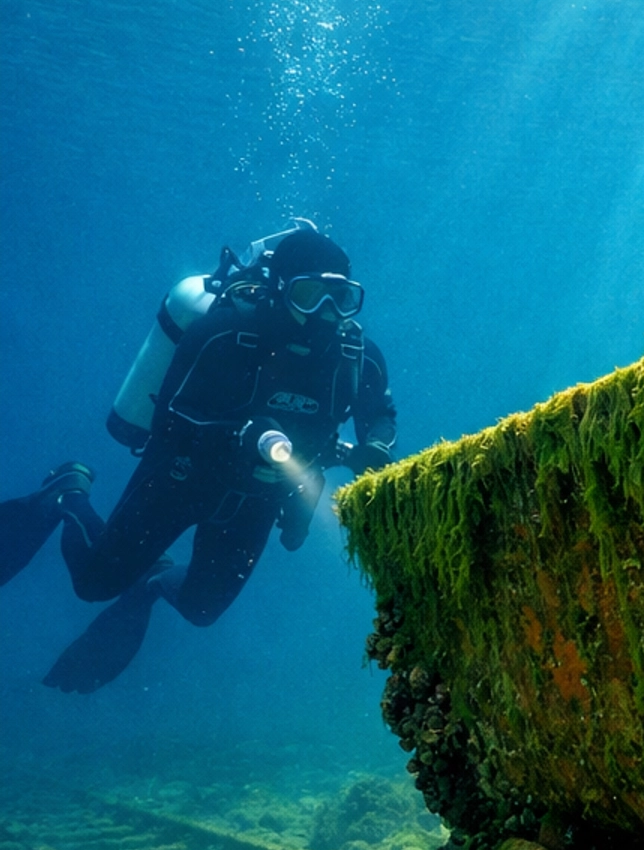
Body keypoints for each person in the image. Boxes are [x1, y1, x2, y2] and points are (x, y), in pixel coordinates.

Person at [0, 221, 395, 693]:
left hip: (257, 497)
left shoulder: (358, 356)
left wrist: (376, 446)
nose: (327, 313)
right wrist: (241, 435)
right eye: (310, 295)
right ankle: (68, 491)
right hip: (180, 480)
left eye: (342, 298)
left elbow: (380, 412)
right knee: (92, 584)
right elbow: (170, 421)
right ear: (279, 288)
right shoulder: (224, 332)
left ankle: (155, 579)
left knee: (202, 609)